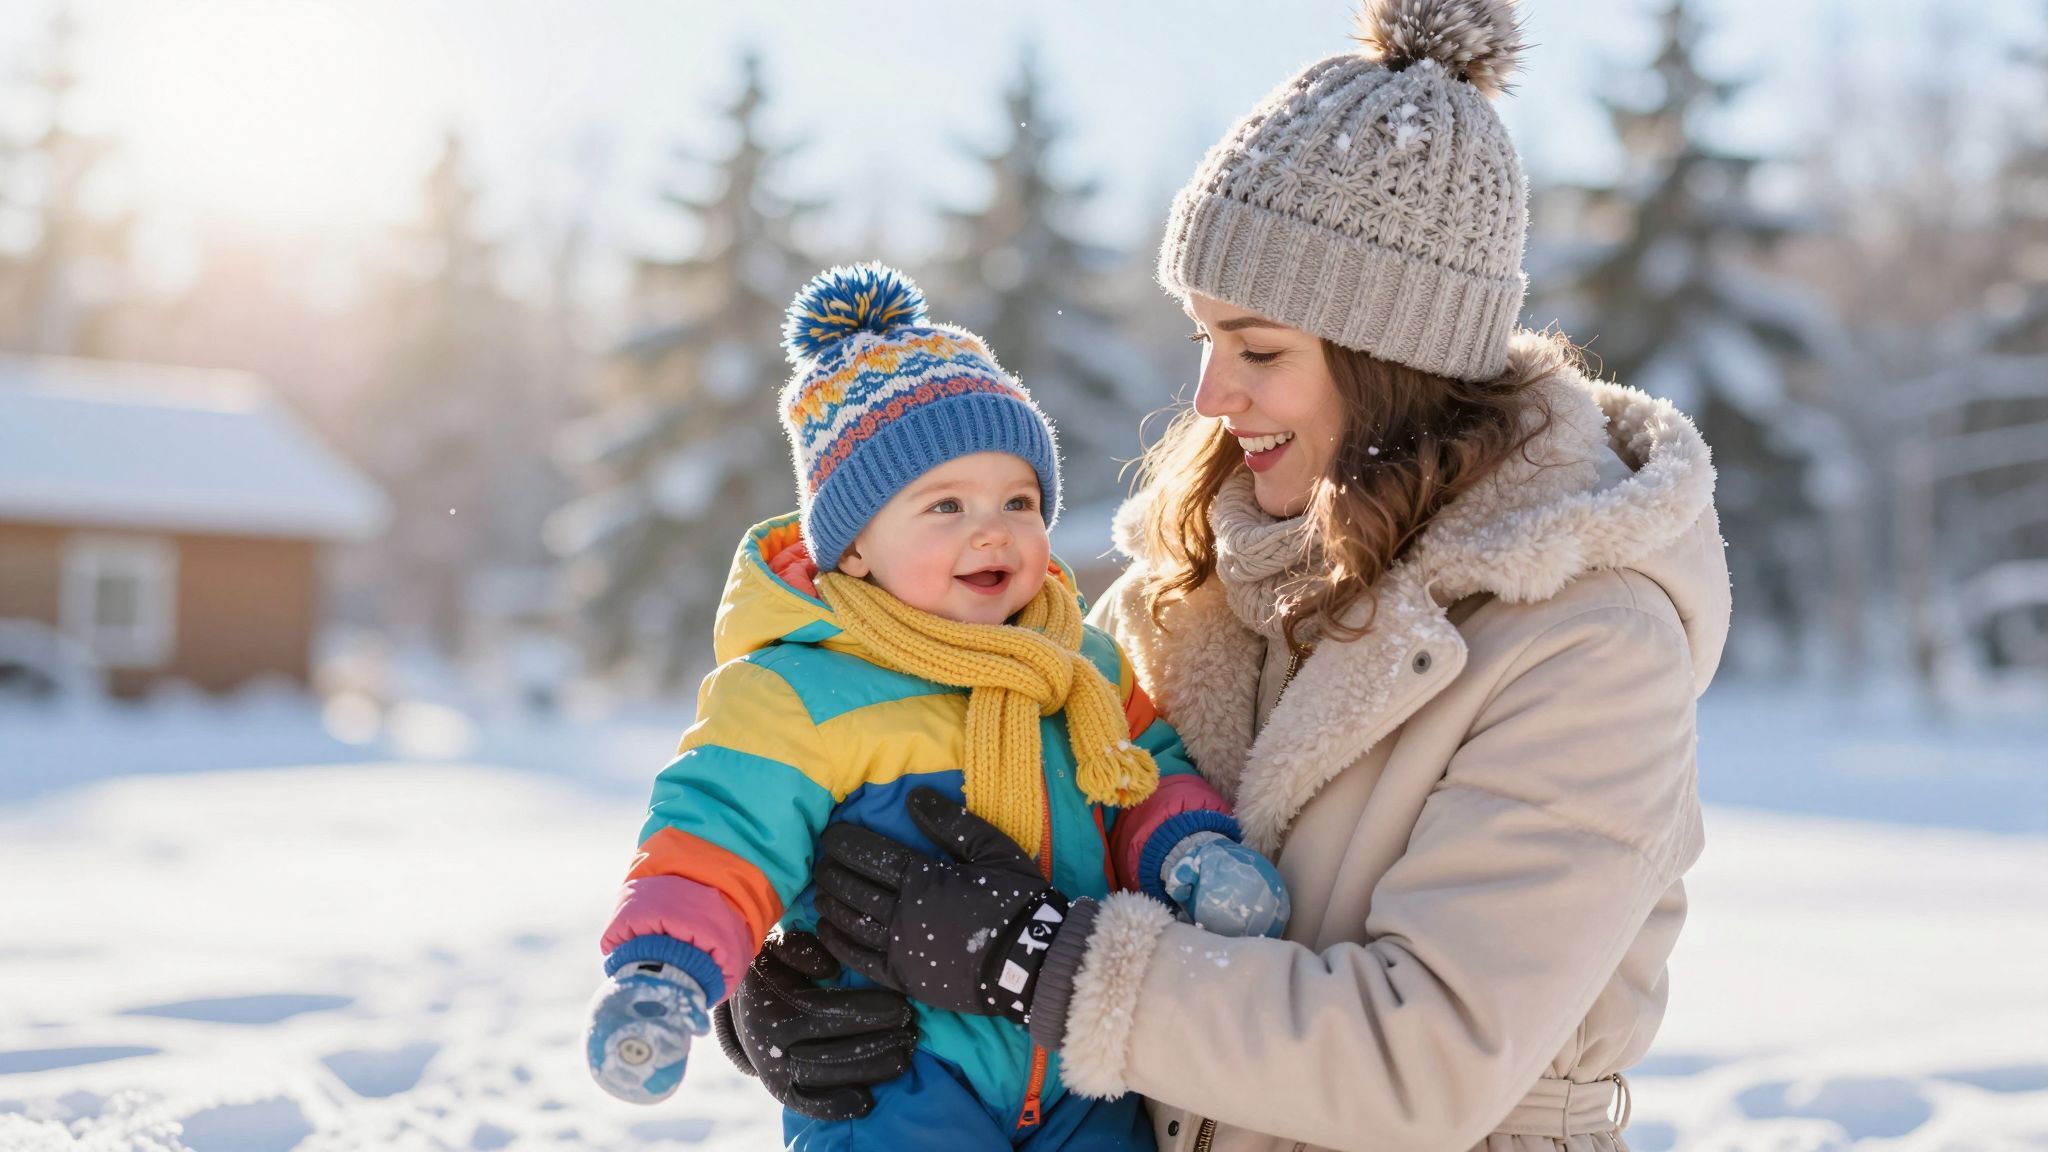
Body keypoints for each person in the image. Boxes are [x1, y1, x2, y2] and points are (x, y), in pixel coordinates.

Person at [724, 2, 1735, 1149]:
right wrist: (797, 986)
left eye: (1258, 351)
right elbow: (949, 805)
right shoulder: (1184, 588)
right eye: (1203, 340)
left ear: (1390, 360)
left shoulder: (1584, 642)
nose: (1210, 395)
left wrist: (1037, 958)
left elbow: (1423, 1061)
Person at [581, 263, 1290, 1152]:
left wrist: (1190, 850)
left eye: (1018, 500)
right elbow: (717, 833)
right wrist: (666, 971)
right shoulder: (799, 692)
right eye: (945, 505)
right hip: (891, 1068)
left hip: (1080, 1066)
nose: (991, 530)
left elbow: (1147, 773)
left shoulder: (1081, 666)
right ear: (856, 549)